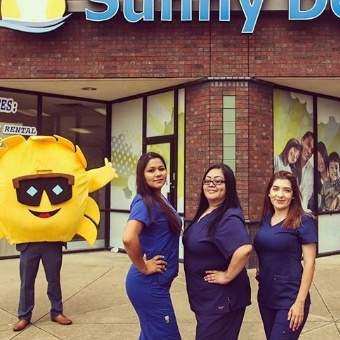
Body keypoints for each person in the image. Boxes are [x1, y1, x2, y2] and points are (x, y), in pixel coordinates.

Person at [183, 163, 252, 340]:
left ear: (229, 187)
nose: (211, 184)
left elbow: (244, 249)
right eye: (207, 181)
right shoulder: (207, 211)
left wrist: (227, 275)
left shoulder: (228, 216)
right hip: (207, 300)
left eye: (218, 181)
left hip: (221, 301)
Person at [122, 152, 182, 340]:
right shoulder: (144, 201)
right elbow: (128, 237)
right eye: (151, 170)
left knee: (150, 335)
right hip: (148, 284)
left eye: (161, 169)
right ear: (142, 175)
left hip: (155, 284)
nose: (158, 174)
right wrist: (143, 266)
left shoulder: (159, 198)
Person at [254, 170, 317, 340]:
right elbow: (266, 249)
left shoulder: (303, 221)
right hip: (266, 296)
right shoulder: (266, 219)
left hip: (290, 298)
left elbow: (310, 263)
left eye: (286, 190)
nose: (280, 195)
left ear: (293, 195)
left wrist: (300, 302)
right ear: (269, 192)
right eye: (276, 189)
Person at [13, 242, 72, 331]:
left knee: (54, 280)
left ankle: (57, 312)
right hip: (28, 244)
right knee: (26, 282)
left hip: (52, 243)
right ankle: (24, 316)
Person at [296, 131, 315, 211]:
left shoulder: (310, 170)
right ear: (302, 140)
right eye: (308, 144)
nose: (309, 151)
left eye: (313, 150)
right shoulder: (291, 159)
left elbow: (305, 196)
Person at [308, 141, 329, 211]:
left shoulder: (334, 172)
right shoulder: (313, 177)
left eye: (321, 156)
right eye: (316, 158)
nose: (319, 161)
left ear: (325, 156)